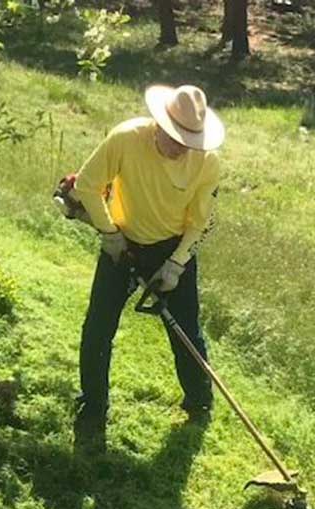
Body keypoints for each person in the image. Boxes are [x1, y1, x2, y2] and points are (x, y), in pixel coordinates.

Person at [69, 84, 225, 455]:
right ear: (159, 123)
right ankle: (93, 408)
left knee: (186, 329)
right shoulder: (125, 139)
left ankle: (199, 401)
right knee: (98, 327)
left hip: (172, 247)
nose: (180, 147)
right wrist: (110, 235)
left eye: (188, 141)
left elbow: (199, 221)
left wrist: (176, 264)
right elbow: (88, 186)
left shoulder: (207, 162)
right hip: (122, 244)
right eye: (174, 138)